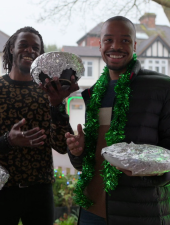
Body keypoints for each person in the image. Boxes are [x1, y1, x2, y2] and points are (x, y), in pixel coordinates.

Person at [0, 26, 79, 225]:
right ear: (11, 49)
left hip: (40, 191)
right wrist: (7, 141)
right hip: (1, 190)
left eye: (36, 47)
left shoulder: (48, 92)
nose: (30, 50)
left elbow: (61, 146)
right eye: (23, 45)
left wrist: (57, 106)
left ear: (40, 54)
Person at [66, 16, 170, 225]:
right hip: (90, 210)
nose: (116, 46)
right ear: (100, 45)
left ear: (134, 45)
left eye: (124, 40)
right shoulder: (94, 93)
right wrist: (78, 150)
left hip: (139, 211)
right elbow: (87, 161)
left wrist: (145, 172)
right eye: (109, 40)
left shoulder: (161, 88)